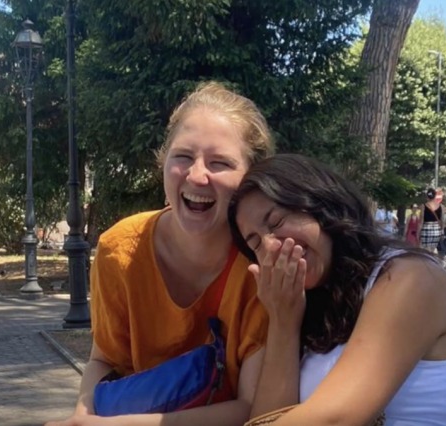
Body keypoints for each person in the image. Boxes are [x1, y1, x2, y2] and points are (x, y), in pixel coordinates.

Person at [45, 82, 275, 426]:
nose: (197, 176)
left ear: (251, 177)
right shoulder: (119, 249)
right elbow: (104, 360)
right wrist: (82, 417)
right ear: (163, 163)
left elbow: (249, 408)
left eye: (220, 163)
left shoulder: (258, 264)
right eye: (183, 156)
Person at [227, 154, 446, 425]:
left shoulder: (411, 278)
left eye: (277, 222)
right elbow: (267, 418)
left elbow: (336, 419)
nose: (271, 247)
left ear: (321, 205)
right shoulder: (308, 306)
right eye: (255, 242)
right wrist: (284, 322)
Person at [418, 187, 445, 253]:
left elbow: (421, 220)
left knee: (425, 249)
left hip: (426, 228)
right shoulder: (442, 207)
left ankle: (426, 262)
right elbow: (442, 220)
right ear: (435, 196)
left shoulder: (423, 206)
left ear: (427, 196)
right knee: (432, 249)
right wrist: (442, 231)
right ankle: (431, 261)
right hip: (436, 229)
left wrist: (418, 232)